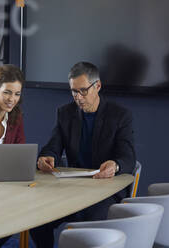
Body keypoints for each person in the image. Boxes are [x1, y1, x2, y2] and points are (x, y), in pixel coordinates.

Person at [31, 62, 136, 248]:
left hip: (105, 192)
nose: (78, 98)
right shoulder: (65, 113)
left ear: (98, 86)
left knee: (89, 228)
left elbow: (128, 157)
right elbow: (53, 146)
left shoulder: (120, 116)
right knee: (37, 222)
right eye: (73, 91)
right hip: (72, 189)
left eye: (83, 91)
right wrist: (45, 156)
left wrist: (115, 164)